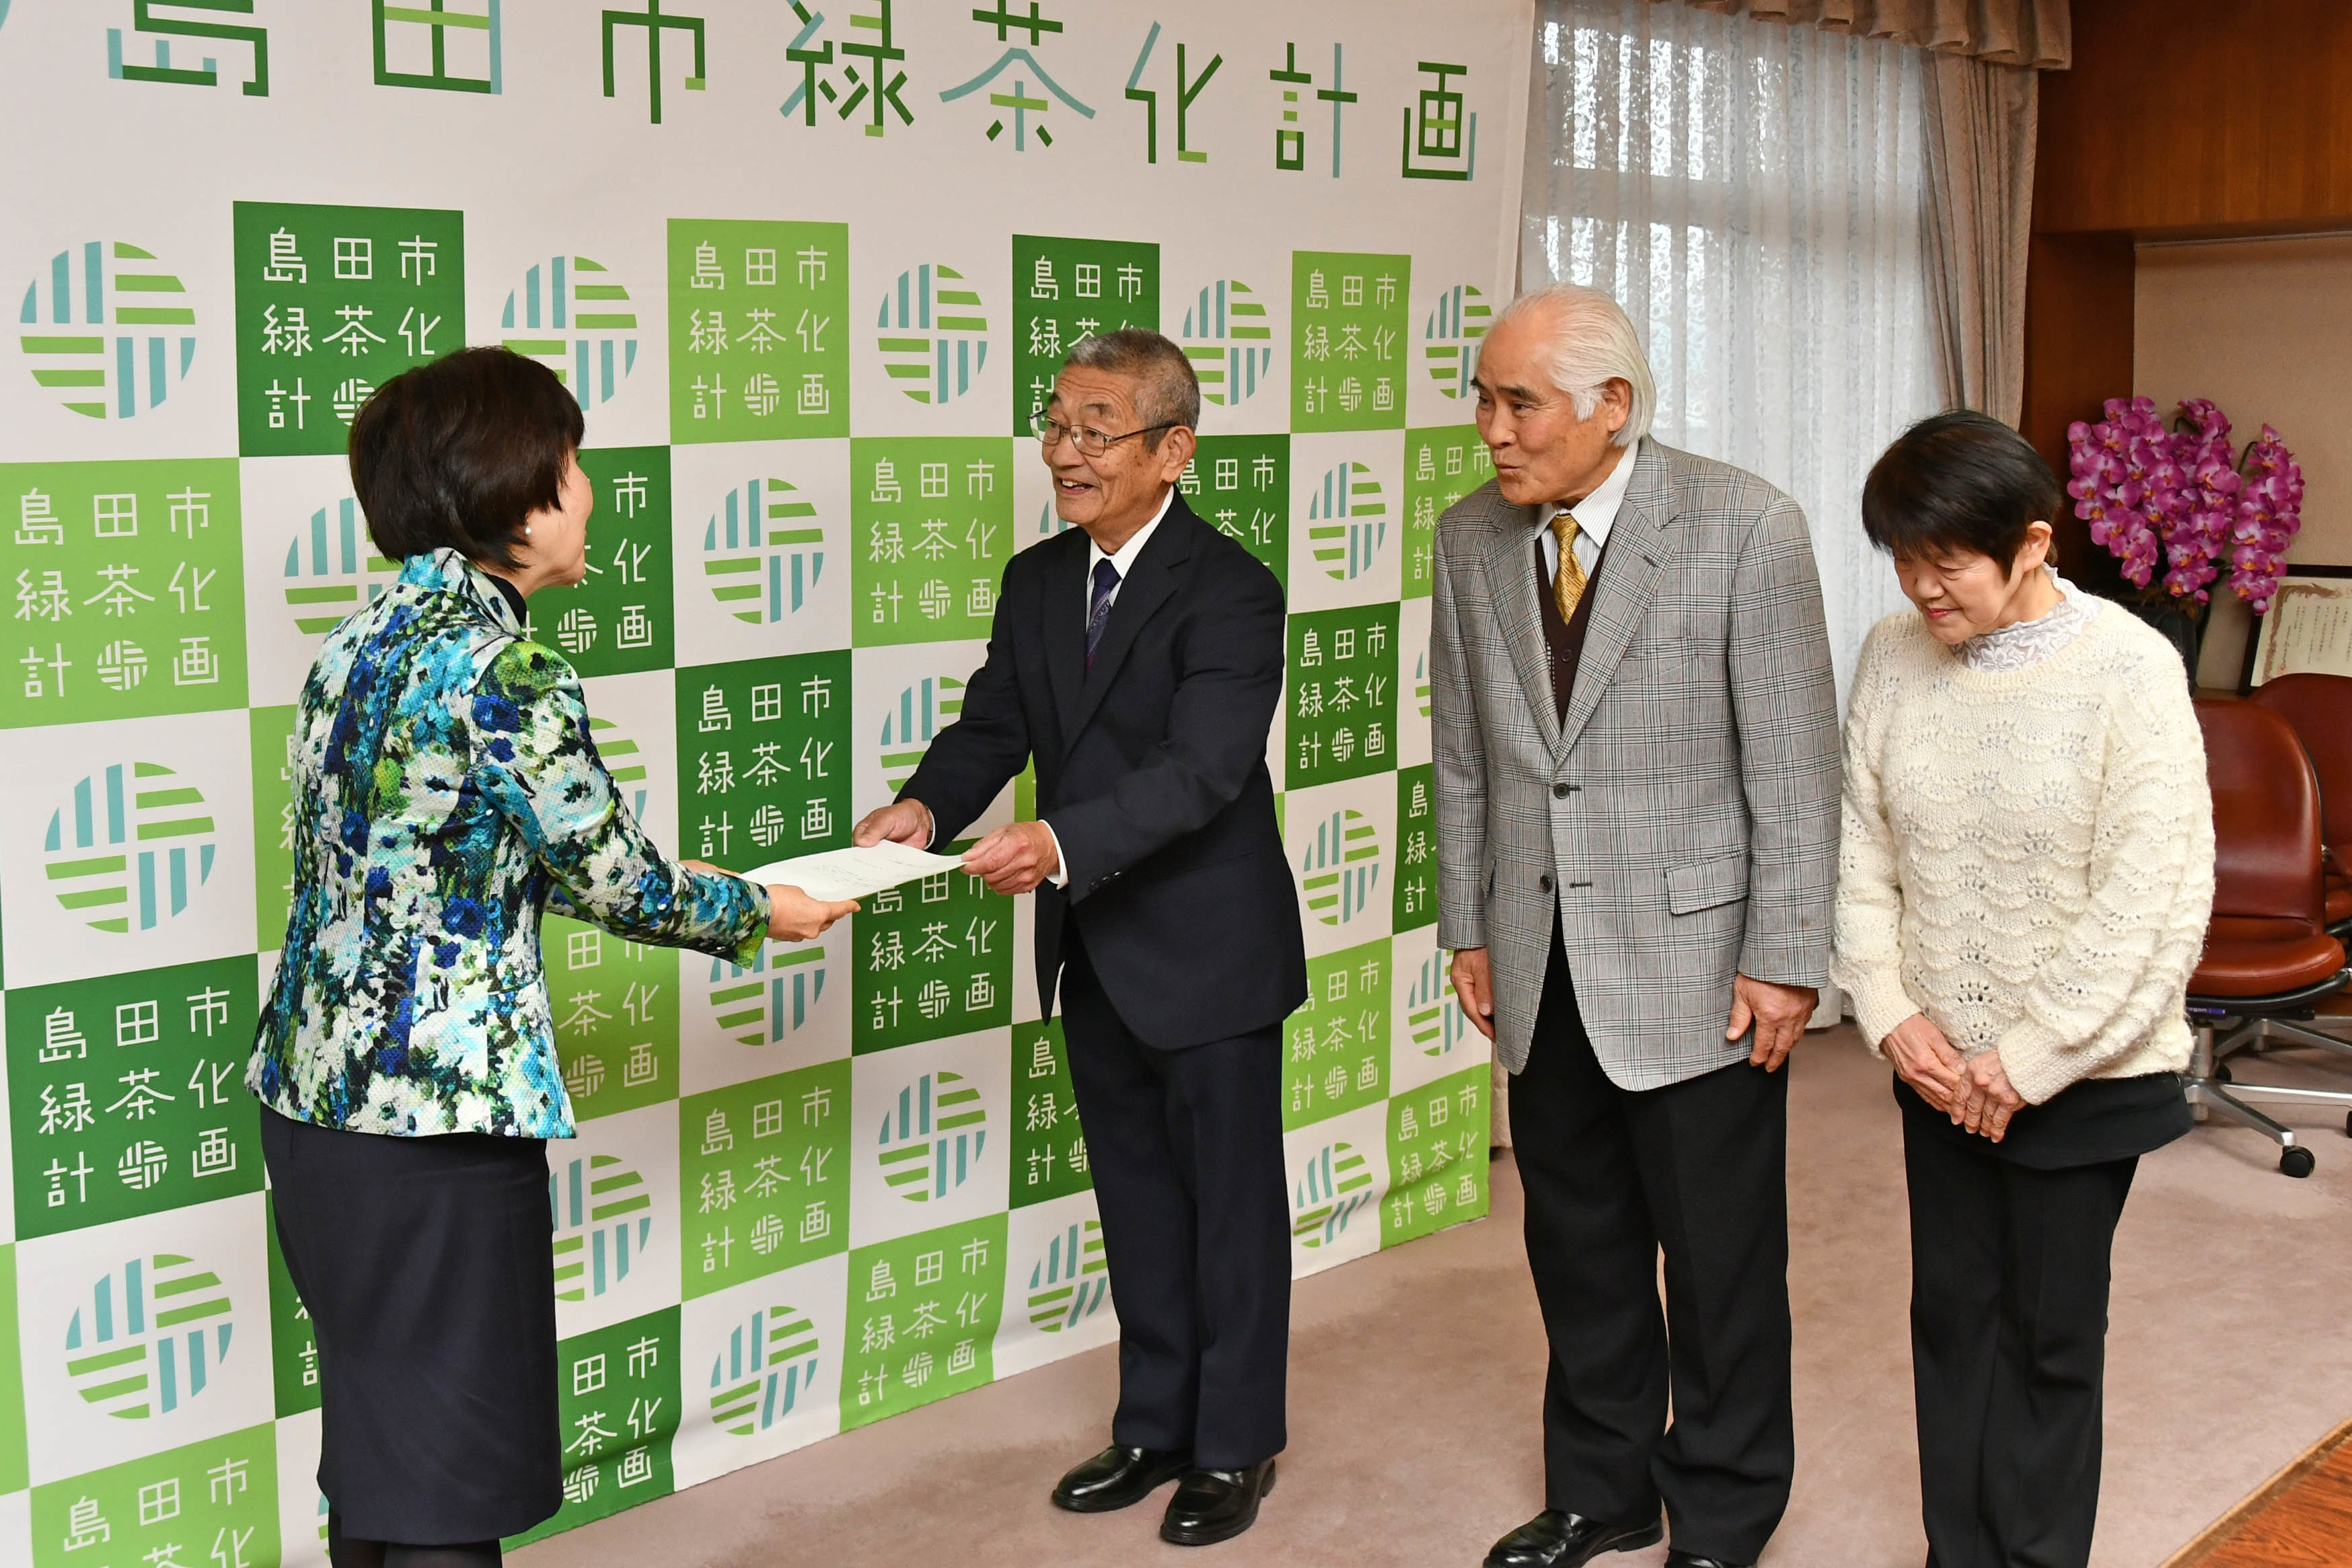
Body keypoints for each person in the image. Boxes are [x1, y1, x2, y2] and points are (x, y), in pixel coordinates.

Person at [247, 347, 856, 1568]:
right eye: (571, 467)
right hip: (436, 1128)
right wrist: (763, 909)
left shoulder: (355, 643)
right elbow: (609, 874)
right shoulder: (503, 667)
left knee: (383, 1451)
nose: (587, 495)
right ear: (511, 492)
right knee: (448, 1487)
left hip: (314, 1109)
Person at [852, 328, 1304, 1548]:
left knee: (1230, 1210)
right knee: (1139, 1201)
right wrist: (928, 806)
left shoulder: (1231, 587)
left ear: (1175, 449)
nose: (1064, 451)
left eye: (1094, 430)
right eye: (1055, 425)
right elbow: (994, 722)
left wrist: (1056, 843)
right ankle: (1154, 1423)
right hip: (1095, 944)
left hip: (1209, 949)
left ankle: (1235, 1443)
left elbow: (1205, 770)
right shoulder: (1039, 578)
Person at [1431, 283, 1841, 1568]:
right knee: (1580, 1246)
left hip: (1702, 966)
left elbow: (1793, 765)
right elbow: (1465, 758)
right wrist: (1467, 924)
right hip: (1537, 957)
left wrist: (1786, 958)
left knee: (1720, 1267)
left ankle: (1723, 1511)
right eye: (1484, 402)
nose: (1493, 431)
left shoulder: (1744, 528)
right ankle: (1600, 1489)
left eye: (1520, 404)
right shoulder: (1469, 541)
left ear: (1614, 406)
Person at [1832, 412, 2213, 1568]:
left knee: (2049, 1340)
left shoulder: (2130, 668)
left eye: (1944, 563)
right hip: (1939, 1072)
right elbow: (1863, 855)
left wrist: (2030, 1058)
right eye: (1901, 559)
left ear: (2034, 543)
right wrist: (1894, 1017)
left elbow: (2152, 894)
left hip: (2079, 1076)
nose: (1919, 589)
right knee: (1950, 1326)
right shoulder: (1893, 656)